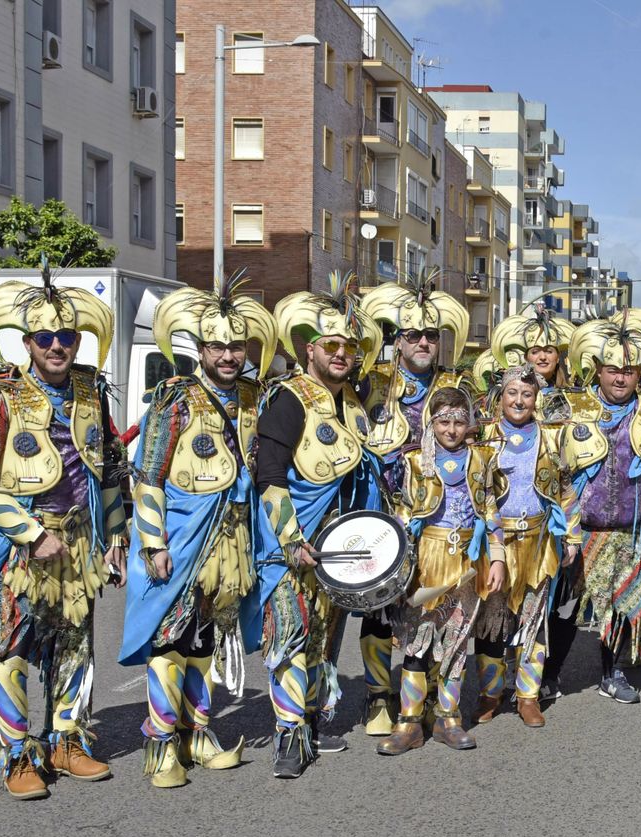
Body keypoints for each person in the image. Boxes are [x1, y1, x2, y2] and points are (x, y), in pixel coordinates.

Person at [0, 271, 128, 799]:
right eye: (45, 338)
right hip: (22, 549)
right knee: (11, 649)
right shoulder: (0, 393)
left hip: (79, 545)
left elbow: (108, 467)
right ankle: (17, 756)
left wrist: (116, 539)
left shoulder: (92, 389)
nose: (58, 346)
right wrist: (29, 534)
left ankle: (67, 743)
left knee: (75, 648)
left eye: (67, 337)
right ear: (28, 343)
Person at [119, 285, 275, 788]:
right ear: (200, 350)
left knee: (205, 636)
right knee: (169, 634)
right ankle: (162, 744)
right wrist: (154, 542)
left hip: (232, 541)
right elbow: (148, 474)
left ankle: (198, 733)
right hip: (182, 535)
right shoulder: (175, 398)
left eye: (237, 346)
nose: (228, 355)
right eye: (217, 347)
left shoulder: (255, 397)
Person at [253, 288, 383, 778]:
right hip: (293, 543)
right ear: (309, 348)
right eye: (331, 346)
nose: (341, 355)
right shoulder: (288, 398)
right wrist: (290, 538)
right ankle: (288, 735)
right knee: (289, 631)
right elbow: (270, 474)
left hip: (339, 543)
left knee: (325, 635)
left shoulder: (355, 401)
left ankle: (311, 716)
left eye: (349, 347)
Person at [355, 278, 476, 738]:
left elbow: (477, 445)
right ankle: (378, 697)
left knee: (433, 610)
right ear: (397, 340)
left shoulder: (456, 386)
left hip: (440, 523)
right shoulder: (373, 385)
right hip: (382, 512)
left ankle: (428, 704)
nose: (423, 342)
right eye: (412, 335)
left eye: (431, 335)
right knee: (378, 608)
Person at [380, 387, 506, 754]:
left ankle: (448, 718)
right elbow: (403, 514)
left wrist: (496, 556)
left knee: (457, 641)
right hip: (427, 560)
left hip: (466, 561)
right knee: (418, 643)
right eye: (443, 421)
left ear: (469, 423)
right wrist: (398, 562)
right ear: (430, 422)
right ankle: (409, 722)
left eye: (459, 421)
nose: (451, 429)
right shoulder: (415, 462)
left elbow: (490, 511)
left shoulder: (481, 461)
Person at [547, 312, 641, 703]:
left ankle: (612, 673)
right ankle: (549, 674)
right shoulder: (570, 409)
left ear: (639, 375)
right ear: (597, 371)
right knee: (565, 607)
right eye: (612, 369)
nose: (620, 378)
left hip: (631, 530)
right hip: (580, 530)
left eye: (628, 371)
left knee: (623, 604)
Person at [470, 364, 580, 728]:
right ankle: (490, 693)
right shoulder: (483, 436)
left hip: (538, 541)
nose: (519, 401)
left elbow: (565, 489)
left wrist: (572, 536)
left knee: (533, 621)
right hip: (494, 544)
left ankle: (528, 697)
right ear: (500, 397)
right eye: (512, 394)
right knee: (491, 623)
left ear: (537, 400)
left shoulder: (551, 437)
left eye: (527, 395)